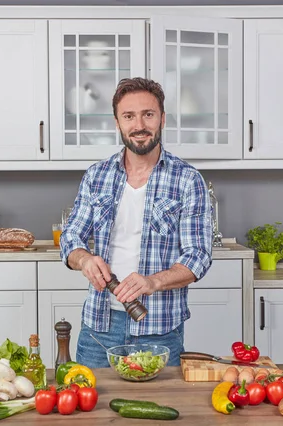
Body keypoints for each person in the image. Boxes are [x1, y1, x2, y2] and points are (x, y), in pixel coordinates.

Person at [60, 77, 212, 368]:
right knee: (91, 410)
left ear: (162, 119)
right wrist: (84, 260)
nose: (139, 125)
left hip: (159, 329)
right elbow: (71, 238)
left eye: (148, 114)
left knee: (158, 410)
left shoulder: (187, 179)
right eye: (129, 116)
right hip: (99, 328)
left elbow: (199, 258)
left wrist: (152, 282)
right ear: (117, 122)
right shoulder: (96, 176)